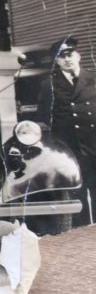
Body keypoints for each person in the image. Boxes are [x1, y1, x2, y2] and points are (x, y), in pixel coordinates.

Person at [38, 37, 96, 226]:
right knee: (77, 190)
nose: (67, 59)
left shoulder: (93, 79)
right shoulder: (50, 85)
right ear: (57, 61)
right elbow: (45, 117)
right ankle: (82, 231)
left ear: (78, 55)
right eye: (62, 57)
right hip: (70, 148)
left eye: (70, 54)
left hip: (93, 143)